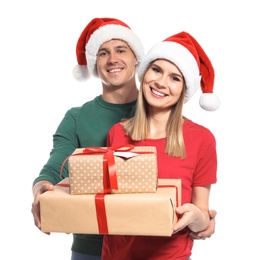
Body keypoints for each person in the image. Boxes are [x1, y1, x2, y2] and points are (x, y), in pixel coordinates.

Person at [31, 17, 217, 260]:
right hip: (97, 248)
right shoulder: (106, 128)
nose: (113, 59)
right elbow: (58, 164)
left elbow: (198, 208)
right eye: (103, 53)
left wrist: (201, 219)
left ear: (137, 59)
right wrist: (41, 188)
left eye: (121, 50)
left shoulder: (194, 134)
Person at [102, 31, 220, 260]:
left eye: (175, 78)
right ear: (145, 72)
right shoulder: (117, 133)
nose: (161, 83)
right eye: (156, 70)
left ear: (183, 90)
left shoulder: (201, 139)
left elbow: (202, 218)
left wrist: (196, 216)